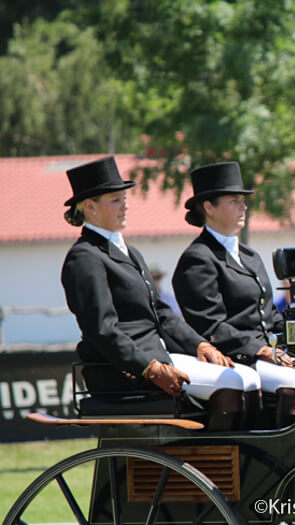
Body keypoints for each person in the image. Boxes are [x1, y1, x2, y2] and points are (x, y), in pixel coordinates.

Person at [60, 156, 261, 429]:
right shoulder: (84, 258)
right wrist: (149, 367)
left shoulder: (130, 252)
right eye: (116, 200)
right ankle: (214, 448)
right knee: (233, 381)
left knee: (248, 378)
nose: (125, 205)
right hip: (125, 370)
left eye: (124, 198)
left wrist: (200, 345)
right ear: (90, 207)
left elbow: (161, 314)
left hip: (160, 356)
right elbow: (102, 330)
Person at [172, 162, 295, 428]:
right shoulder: (198, 259)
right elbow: (210, 325)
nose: (243, 207)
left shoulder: (250, 256)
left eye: (243, 200)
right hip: (235, 358)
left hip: (268, 354)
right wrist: (261, 350)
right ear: (209, 207)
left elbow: (269, 314)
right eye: (234, 201)